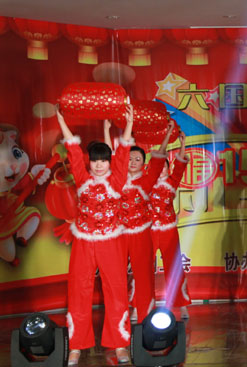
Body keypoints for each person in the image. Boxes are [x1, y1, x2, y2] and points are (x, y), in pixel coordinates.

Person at [56, 105, 134, 366]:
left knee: (116, 290)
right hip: (84, 242)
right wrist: (61, 120)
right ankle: (76, 346)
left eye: (103, 160)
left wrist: (129, 124)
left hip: (111, 242)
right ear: (89, 162)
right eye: (95, 160)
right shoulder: (81, 178)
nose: (99, 165)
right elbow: (73, 149)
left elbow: (123, 153)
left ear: (109, 162)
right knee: (78, 290)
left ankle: (120, 344)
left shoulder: (116, 180)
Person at [112, 120, 173, 323]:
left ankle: (144, 314)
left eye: (137, 159)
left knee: (144, 276)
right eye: (130, 158)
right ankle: (119, 315)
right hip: (120, 234)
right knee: (116, 276)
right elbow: (113, 158)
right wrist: (105, 130)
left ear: (143, 163)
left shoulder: (147, 180)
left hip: (141, 234)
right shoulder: (117, 181)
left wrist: (167, 135)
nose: (132, 162)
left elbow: (159, 159)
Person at [148, 125, 190, 319]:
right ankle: (141, 305)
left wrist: (183, 144)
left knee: (174, 269)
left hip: (169, 231)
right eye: (158, 167)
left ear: (167, 168)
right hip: (149, 230)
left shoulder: (172, 182)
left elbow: (180, 166)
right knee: (144, 269)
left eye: (164, 166)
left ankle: (182, 305)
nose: (161, 170)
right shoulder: (146, 184)